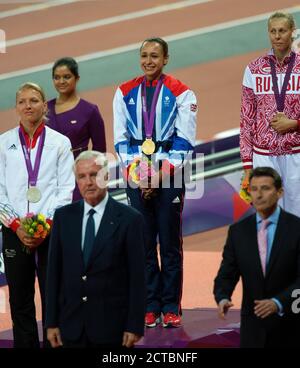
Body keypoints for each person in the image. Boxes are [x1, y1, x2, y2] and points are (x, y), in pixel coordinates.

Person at [113, 37, 197, 328]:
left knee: (170, 242)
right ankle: (150, 304)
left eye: (155, 56)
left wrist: (158, 177)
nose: (149, 61)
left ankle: (171, 305)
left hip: (171, 175)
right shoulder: (124, 92)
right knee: (143, 242)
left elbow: (185, 141)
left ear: (166, 59)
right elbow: (120, 140)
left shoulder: (182, 93)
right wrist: (140, 176)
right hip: (137, 174)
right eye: (144, 56)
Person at [0, 82, 74, 348]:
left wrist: (46, 224)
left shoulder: (59, 143)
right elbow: (0, 191)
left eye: (34, 101)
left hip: (50, 231)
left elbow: (65, 189)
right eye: (22, 102)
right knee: (19, 300)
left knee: (54, 297)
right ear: (16, 108)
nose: (28, 106)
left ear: (45, 106)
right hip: (13, 232)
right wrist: (17, 224)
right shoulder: (3, 143)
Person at [45, 151, 146, 348]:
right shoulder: (63, 218)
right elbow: (53, 275)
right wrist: (51, 322)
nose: (88, 182)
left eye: (94, 175)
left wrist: (134, 325)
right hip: (70, 328)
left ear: (106, 177)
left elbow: (138, 277)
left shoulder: (130, 219)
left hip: (112, 330)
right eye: (82, 177)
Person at [214, 167, 300, 348]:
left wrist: (278, 303)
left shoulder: (296, 228)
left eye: (265, 188)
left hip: (290, 325)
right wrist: (223, 297)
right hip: (252, 329)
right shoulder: (238, 231)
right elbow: (227, 272)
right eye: (254, 189)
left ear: (279, 192)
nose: (259, 195)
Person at [240, 12, 300, 217]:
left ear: (292, 32)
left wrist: (295, 124)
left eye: (282, 31)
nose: (277, 36)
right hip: (263, 154)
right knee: (267, 214)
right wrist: (247, 165)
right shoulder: (254, 69)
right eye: (273, 31)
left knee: (296, 214)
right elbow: (246, 119)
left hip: (296, 152)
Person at [47, 57, 106, 201]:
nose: (61, 81)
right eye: (57, 77)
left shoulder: (89, 110)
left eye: (67, 77)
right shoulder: (44, 109)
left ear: (77, 78)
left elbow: (100, 152)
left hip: (78, 177)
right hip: (50, 176)